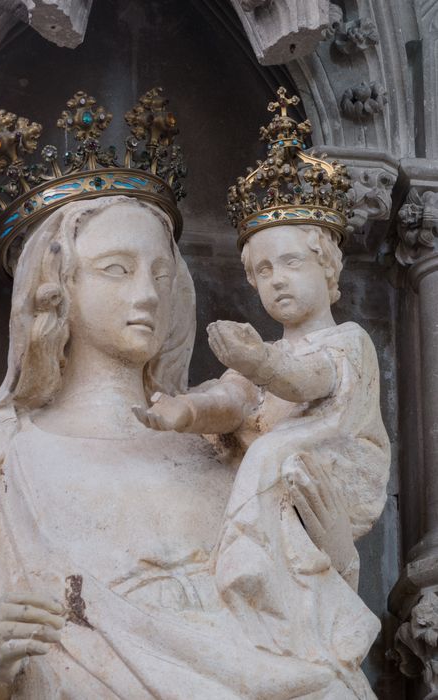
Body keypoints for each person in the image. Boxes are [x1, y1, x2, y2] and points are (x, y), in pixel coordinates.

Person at [0, 196, 372, 699]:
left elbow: (308, 620)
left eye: (161, 275)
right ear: (58, 283)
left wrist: (338, 555)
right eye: (117, 269)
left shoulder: (227, 441)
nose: (148, 294)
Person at [135, 220, 391, 695]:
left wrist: (260, 364)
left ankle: (248, 565)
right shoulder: (261, 356)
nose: (276, 279)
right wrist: (184, 410)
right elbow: (230, 402)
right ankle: (254, 601)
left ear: (329, 270)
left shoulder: (347, 341)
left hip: (331, 465)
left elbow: (309, 380)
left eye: (291, 262)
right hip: (279, 491)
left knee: (272, 448)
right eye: (263, 270)